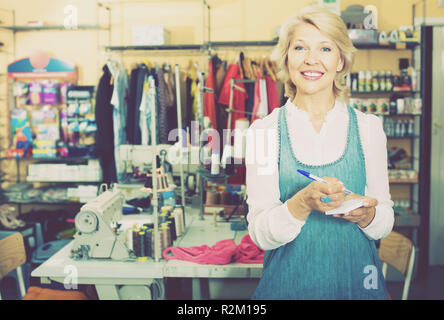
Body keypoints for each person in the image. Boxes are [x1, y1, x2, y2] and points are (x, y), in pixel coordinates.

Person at [245, 5, 394, 300]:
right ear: (287, 59)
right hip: (288, 288)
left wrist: (366, 215)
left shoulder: (369, 128)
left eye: (325, 48)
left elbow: (385, 221)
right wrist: (301, 203)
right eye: (300, 47)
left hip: (358, 286)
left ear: (341, 61)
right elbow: (260, 234)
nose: (311, 59)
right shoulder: (263, 133)